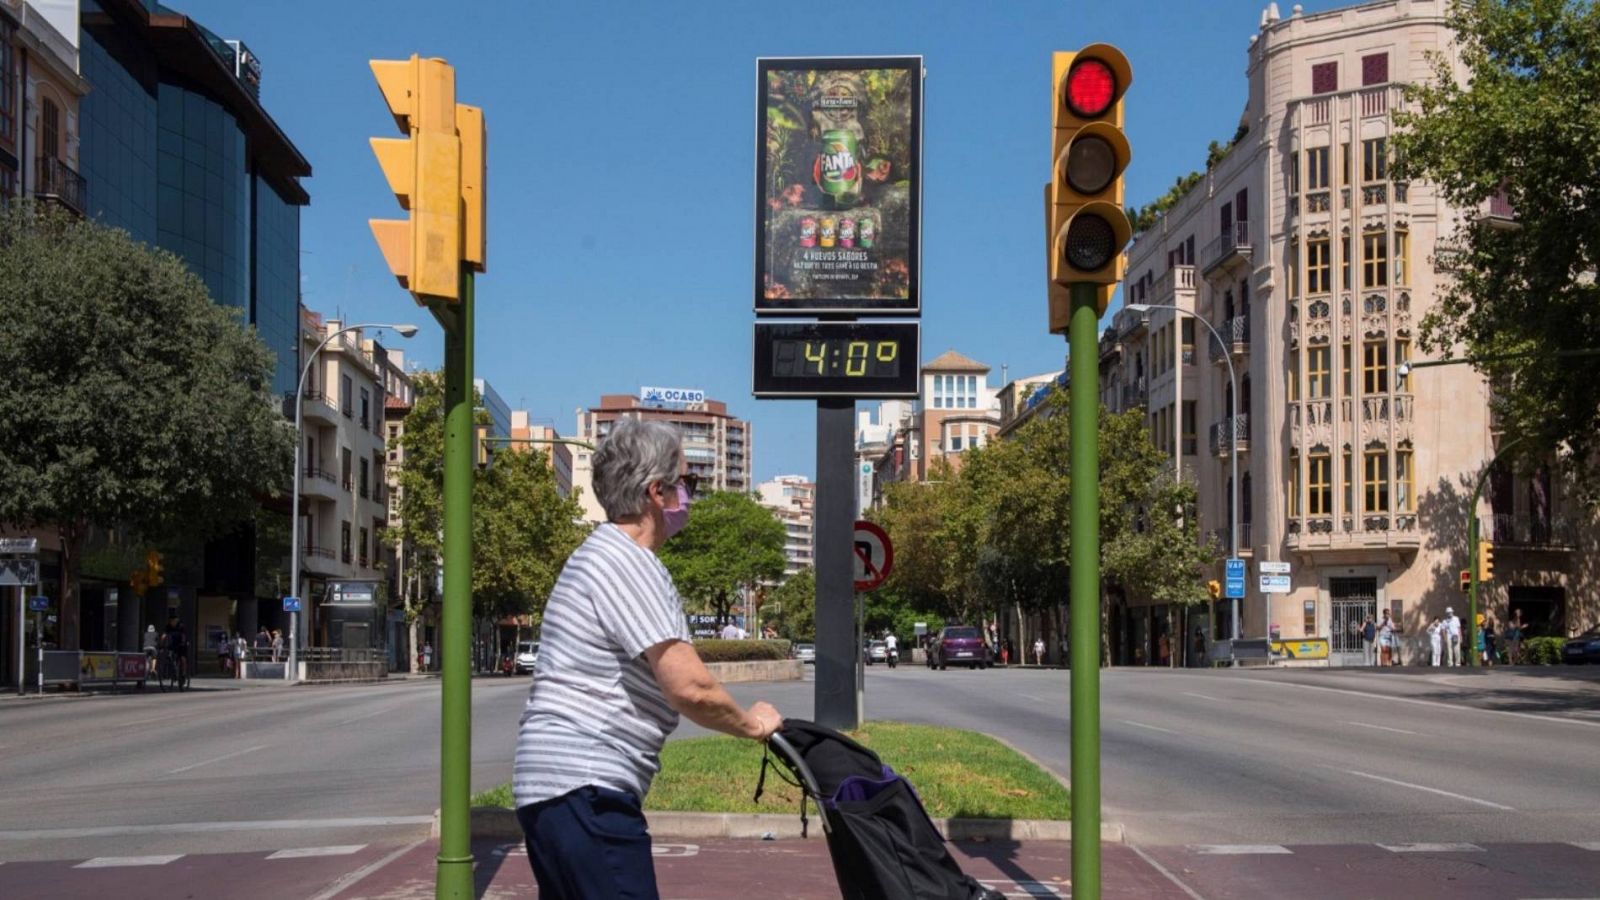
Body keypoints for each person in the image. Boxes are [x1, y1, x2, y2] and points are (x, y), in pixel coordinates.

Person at [513, 418, 781, 899]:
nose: (689, 498)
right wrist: (753, 724)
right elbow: (689, 686)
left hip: (554, 788)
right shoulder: (629, 563)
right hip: (587, 785)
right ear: (657, 492)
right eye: (687, 484)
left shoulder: (596, 556)